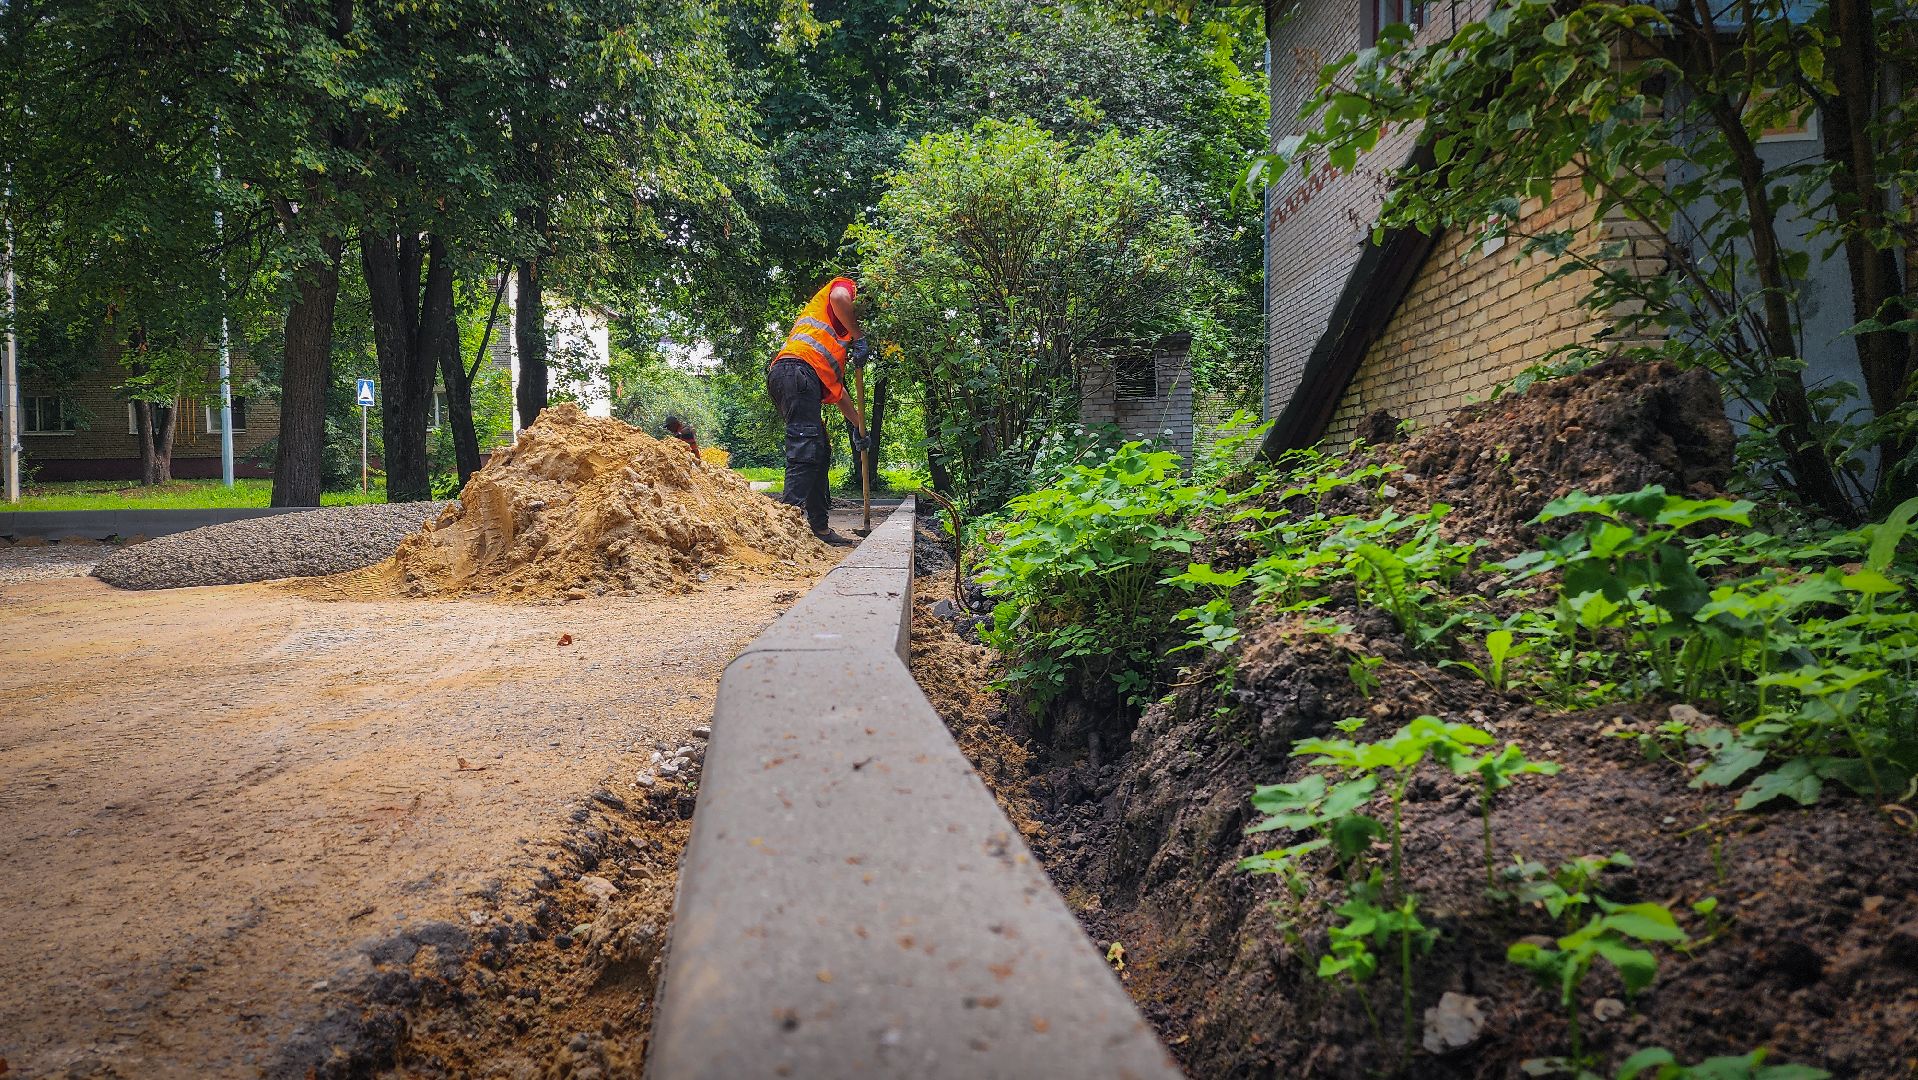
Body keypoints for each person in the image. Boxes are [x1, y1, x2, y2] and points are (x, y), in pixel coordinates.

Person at [766, 274, 872, 545]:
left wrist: (859, 426)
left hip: (795, 376)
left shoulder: (833, 341)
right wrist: (859, 336)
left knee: (820, 450)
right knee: (806, 446)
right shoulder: (845, 286)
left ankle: (819, 527)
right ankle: (787, 525)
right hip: (796, 371)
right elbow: (839, 298)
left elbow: (838, 392)